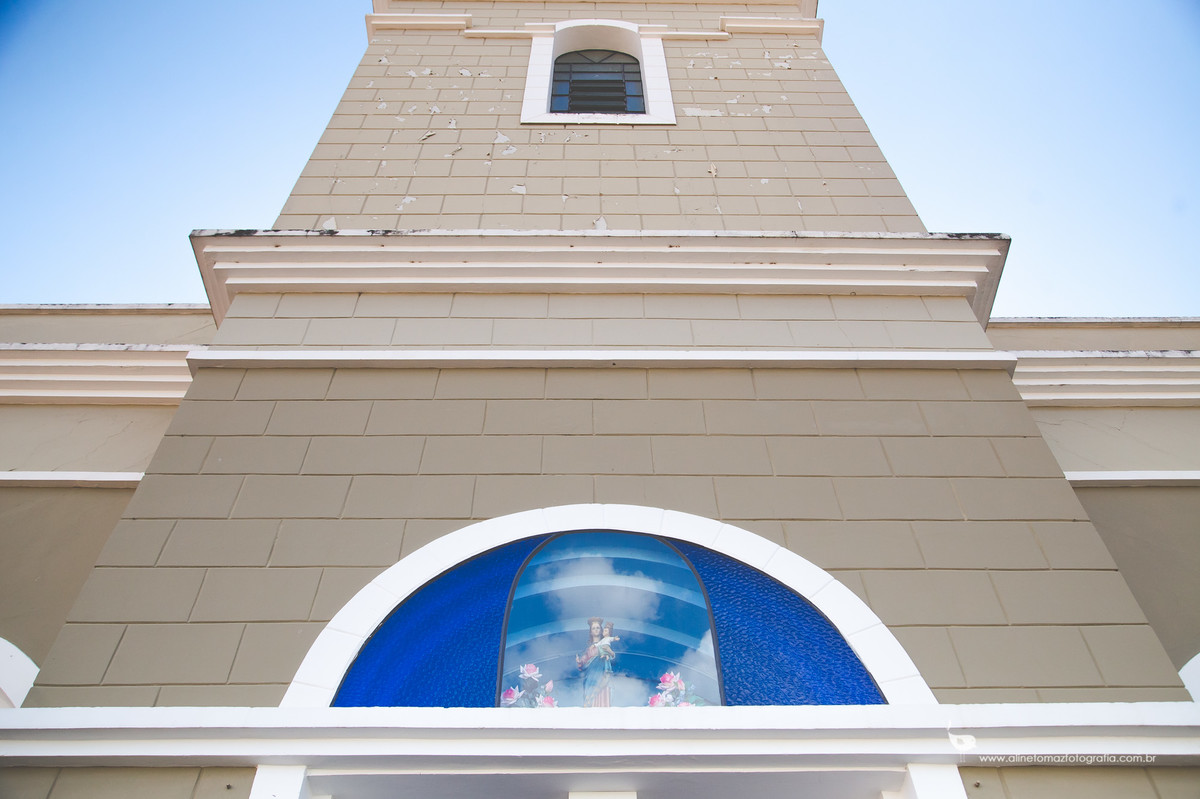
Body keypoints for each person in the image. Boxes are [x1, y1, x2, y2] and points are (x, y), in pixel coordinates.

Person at [576, 616, 615, 707]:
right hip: (590, 677)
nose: (596, 630)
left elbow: (611, 657)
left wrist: (610, 653)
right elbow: (583, 664)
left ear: (601, 630)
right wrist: (579, 662)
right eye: (593, 628)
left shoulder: (605, 644)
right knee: (590, 697)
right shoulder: (588, 649)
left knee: (603, 695)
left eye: (598, 628)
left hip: (602, 675)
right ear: (591, 631)